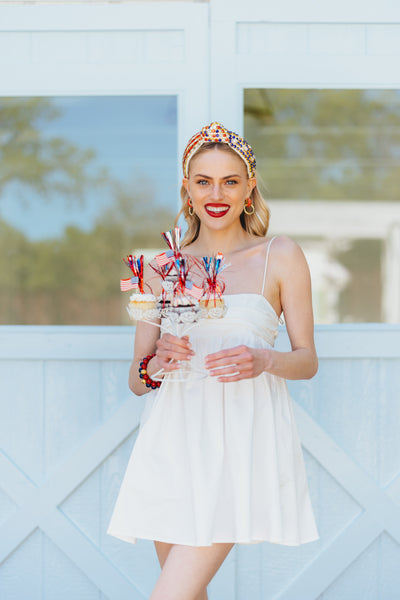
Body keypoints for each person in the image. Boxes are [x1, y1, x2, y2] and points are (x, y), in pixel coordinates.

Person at [107, 122, 319, 600]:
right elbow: (138, 380)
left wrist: (265, 359)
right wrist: (157, 361)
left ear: (249, 188)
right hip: (172, 444)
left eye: (230, 181)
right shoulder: (162, 267)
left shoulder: (280, 255)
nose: (216, 193)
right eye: (203, 181)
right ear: (187, 189)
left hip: (241, 444)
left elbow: (307, 360)